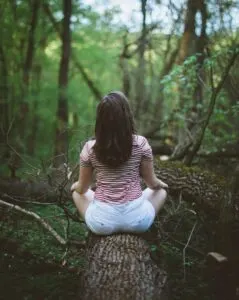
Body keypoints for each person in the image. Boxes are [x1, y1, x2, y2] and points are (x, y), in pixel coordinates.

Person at [71, 91, 168, 235]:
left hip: (102, 223)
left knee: (76, 194)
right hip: (138, 221)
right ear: (127, 117)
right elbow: (152, 184)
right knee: (161, 192)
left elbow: (83, 189)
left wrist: (75, 186)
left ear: (100, 120)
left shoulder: (90, 148)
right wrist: (161, 184)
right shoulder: (141, 144)